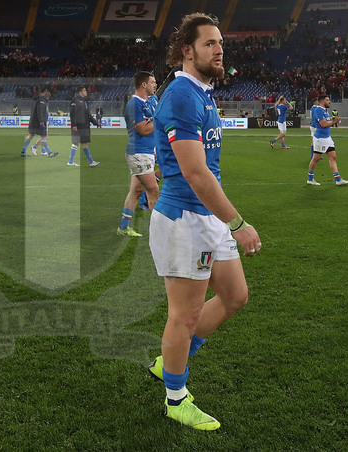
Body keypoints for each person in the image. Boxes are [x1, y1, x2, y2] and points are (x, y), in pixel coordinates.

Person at [145, 13, 261, 431]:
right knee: (185, 314)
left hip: (206, 218)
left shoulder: (202, 92)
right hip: (184, 220)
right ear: (186, 51)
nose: (219, 50)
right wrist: (238, 223)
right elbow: (195, 173)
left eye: (221, 43)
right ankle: (176, 398)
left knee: (235, 296)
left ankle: (170, 362)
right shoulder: (182, 94)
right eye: (209, 43)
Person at [117, 71, 158, 237]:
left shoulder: (148, 101)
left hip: (145, 153)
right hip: (139, 154)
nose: (155, 85)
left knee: (136, 191)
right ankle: (162, 231)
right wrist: (159, 118)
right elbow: (144, 130)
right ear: (143, 85)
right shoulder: (134, 104)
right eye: (152, 82)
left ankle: (123, 228)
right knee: (153, 191)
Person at [307, 95, 348, 186]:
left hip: (327, 138)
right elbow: (323, 124)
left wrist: (334, 121)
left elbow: (327, 123)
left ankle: (338, 179)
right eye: (327, 100)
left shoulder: (325, 110)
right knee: (315, 159)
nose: (329, 101)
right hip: (320, 138)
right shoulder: (318, 110)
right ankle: (310, 179)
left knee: (333, 156)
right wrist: (333, 122)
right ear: (323, 101)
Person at [67, 85, 101, 167]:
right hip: (78, 126)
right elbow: (73, 113)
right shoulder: (75, 100)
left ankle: (91, 162)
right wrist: (74, 125)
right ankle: (71, 162)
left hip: (85, 126)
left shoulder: (85, 101)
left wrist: (96, 123)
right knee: (76, 143)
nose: (86, 92)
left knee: (84, 143)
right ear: (80, 92)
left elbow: (88, 115)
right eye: (84, 90)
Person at [21, 88, 58, 158]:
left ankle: (23, 151)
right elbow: (40, 112)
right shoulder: (42, 102)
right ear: (48, 97)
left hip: (34, 122)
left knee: (31, 135)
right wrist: (41, 122)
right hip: (38, 123)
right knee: (43, 137)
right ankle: (49, 152)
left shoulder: (40, 100)